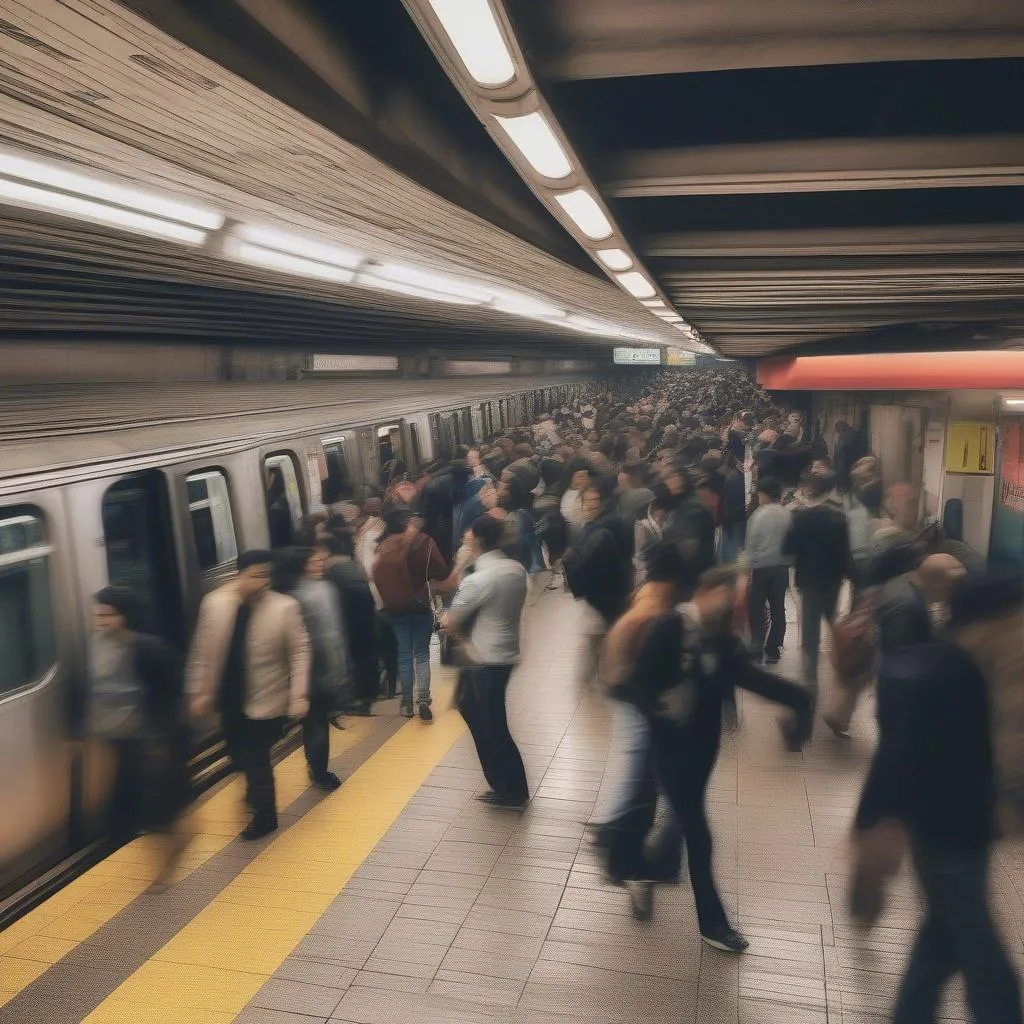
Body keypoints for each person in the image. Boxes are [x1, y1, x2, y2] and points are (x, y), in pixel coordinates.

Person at [613, 565, 812, 952]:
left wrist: (800, 700)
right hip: (669, 747)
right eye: (727, 594)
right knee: (699, 834)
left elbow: (750, 677)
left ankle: (645, 869)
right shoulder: (669, 628)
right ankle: (713, 923)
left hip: (703, 747)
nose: (732, 603)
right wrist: (659, 704)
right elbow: (633, 685)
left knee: (684, 816)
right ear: (704, 590)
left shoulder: (720, 637)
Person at [853, 573, 1022, 1024]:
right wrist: (873, 826)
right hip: (947, 833)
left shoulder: (961, 666)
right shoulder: (949, 672)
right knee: (987, 968)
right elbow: (898, 755)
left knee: (941, 944)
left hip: (959, 830)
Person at [187, 550, 310, 839]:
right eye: (256, 575)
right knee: (237, 756)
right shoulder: (215, 603)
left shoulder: (285, 607)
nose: (263, 582)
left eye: (267, 575)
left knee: (256, 759)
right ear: (239, 575)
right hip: (229, 698)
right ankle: (254, 792)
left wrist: (299, 695)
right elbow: (202, 650)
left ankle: (265, 816)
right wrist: (200, 690)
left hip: (266, 698)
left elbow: (300, 652)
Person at [89, 586, 191, 858]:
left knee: (152, 793)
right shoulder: (102, 646)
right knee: (127, 784)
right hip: (123, 735)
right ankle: (122, 834)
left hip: (150, 735)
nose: (101, 621)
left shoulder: (150, 648)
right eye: (98, 615)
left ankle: (169, 843)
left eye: (108, 615)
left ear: (127, 615)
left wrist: (162, 737)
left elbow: (171, 693)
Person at [444, 515, 530, 808]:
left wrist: (462, 642)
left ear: (478, 540)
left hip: (484, 659)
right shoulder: (516, 569)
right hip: (505, 654)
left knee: (493, 725)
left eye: (468, 535)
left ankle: (511, 788)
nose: (464, 538)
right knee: (473, 710)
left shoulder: (479, 579)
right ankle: (504, 783)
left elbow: (452, 621)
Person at [274, 546, 351, 791]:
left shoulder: (278, 595)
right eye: (314, 562)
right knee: (317, 723)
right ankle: (320, 772)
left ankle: (313, 767)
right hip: (316, 669)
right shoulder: (317, 592)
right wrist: (339, 670)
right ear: (301, 566)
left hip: (285, 673)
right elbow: (331, 635)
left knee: (308, 723)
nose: (320, 565)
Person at [372, 503, 449, 719]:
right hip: (420, 605)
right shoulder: (424, 541)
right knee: (422, 655)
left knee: (404, 655)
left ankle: (407, 704)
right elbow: (441, 570)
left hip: (396, 608)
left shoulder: (382, 546)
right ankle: (423, 698)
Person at [783, 470, 853, 702]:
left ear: (811, 489)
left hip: (810, 579)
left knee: (811, 629)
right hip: (833, 579)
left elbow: (787, 548)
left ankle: (811, 678)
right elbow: (845, 551)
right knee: (832, 621)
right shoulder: (839, 517)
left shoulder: (802, 518)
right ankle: (844, 666)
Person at [323, 530, 380, 716]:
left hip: (347, 622)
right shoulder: (354, 565)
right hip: (366, 619)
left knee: (350, 660)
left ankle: (352, 698)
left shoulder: (329, 570)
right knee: (366, 658)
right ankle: (367, 698)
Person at [744, 476, 792, 664]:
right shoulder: (787, 514)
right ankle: (773, 647)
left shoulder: (758, 515)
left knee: (756, 607)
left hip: (761, 568)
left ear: (763, 494)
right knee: (778, 606)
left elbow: (751, 544)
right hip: (781, 568)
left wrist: (746, 568)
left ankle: (756, 645)